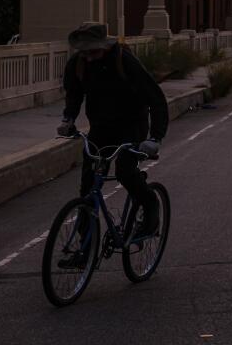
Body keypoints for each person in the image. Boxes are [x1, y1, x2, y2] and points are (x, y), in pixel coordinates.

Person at [57, 22, 168, 246]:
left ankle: (151, 209)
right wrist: (68, 119)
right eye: (85, 52)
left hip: (132, 125)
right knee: (88, 184)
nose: (89, 57)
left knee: (125, 171)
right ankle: (85, 247)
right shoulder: (78, 63)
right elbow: (74, 94)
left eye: (94, 52)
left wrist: (155, 138)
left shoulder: (124, 61)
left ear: (105, 47)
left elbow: (156, 98)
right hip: (101, 127)